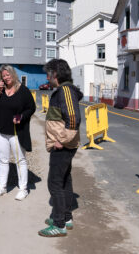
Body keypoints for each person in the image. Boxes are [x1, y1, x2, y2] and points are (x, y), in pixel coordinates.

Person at [38, 59, 83, 237]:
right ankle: (66, 217)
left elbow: (73, 119)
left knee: (55, 183)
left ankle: (59, 224)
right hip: (63, 144)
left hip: (63, 145)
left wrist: (61, 140)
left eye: (48, 73)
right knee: (64, 180)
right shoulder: (63, 91)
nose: (47, 77)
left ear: (55, 74)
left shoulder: (65, 91)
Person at [0, 65, 36, 201]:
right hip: (0, 131)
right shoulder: (0, 91)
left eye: (8, 75)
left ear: (13, 75)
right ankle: (2, 187)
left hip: (16, 131)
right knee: (3, 160)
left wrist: (21, 117)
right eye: (3, 76)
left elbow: (31, 108)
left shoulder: (23, 91)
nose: (6, 78)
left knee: (20, 160)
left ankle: (23, 189)